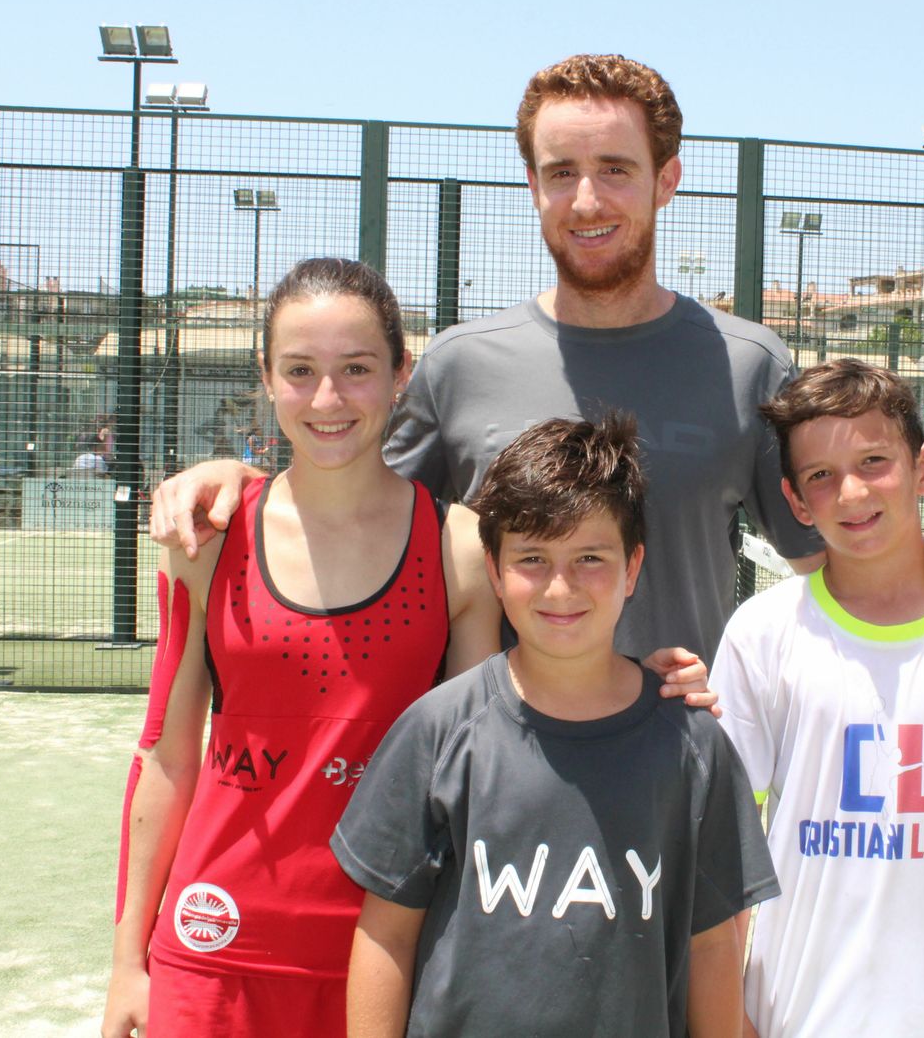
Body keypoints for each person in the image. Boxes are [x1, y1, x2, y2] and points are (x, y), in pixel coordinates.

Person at [147, 54, 924, 660]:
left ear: (667, 179)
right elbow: (351, 504)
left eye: (615, 168)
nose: (586, 200)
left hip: (685, 771)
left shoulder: (749, 364)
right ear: (532, 185)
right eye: (560, 171)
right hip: (501, 778)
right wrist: (238, 477)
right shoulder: (458, 365)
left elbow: (836, 550)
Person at [100, 259, 707, 1038]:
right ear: (266, 377)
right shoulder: (206, 538)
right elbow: (165, 756)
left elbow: (496, 742)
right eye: (300, 370)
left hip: (387, 955)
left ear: (400, 376)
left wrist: (637, 687)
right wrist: (128, 960)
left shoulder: (457, 547)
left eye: (357, 369)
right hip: (215, 946)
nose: (328, 399)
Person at [334, 413, 777, 1037]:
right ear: (494, 570)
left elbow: (711, 945)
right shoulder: (439, 731)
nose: (561, 587)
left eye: (590, 557)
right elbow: (387, 934)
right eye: (533, 558)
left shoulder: (693, 745)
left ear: (632, 567)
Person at [710, 359, 924, 1037]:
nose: (851, 493)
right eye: (820, 475)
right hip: (790, 1019)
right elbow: (725, 847)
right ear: (795, 501)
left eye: (874, 461)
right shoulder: (761, 633)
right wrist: (734, 1020)